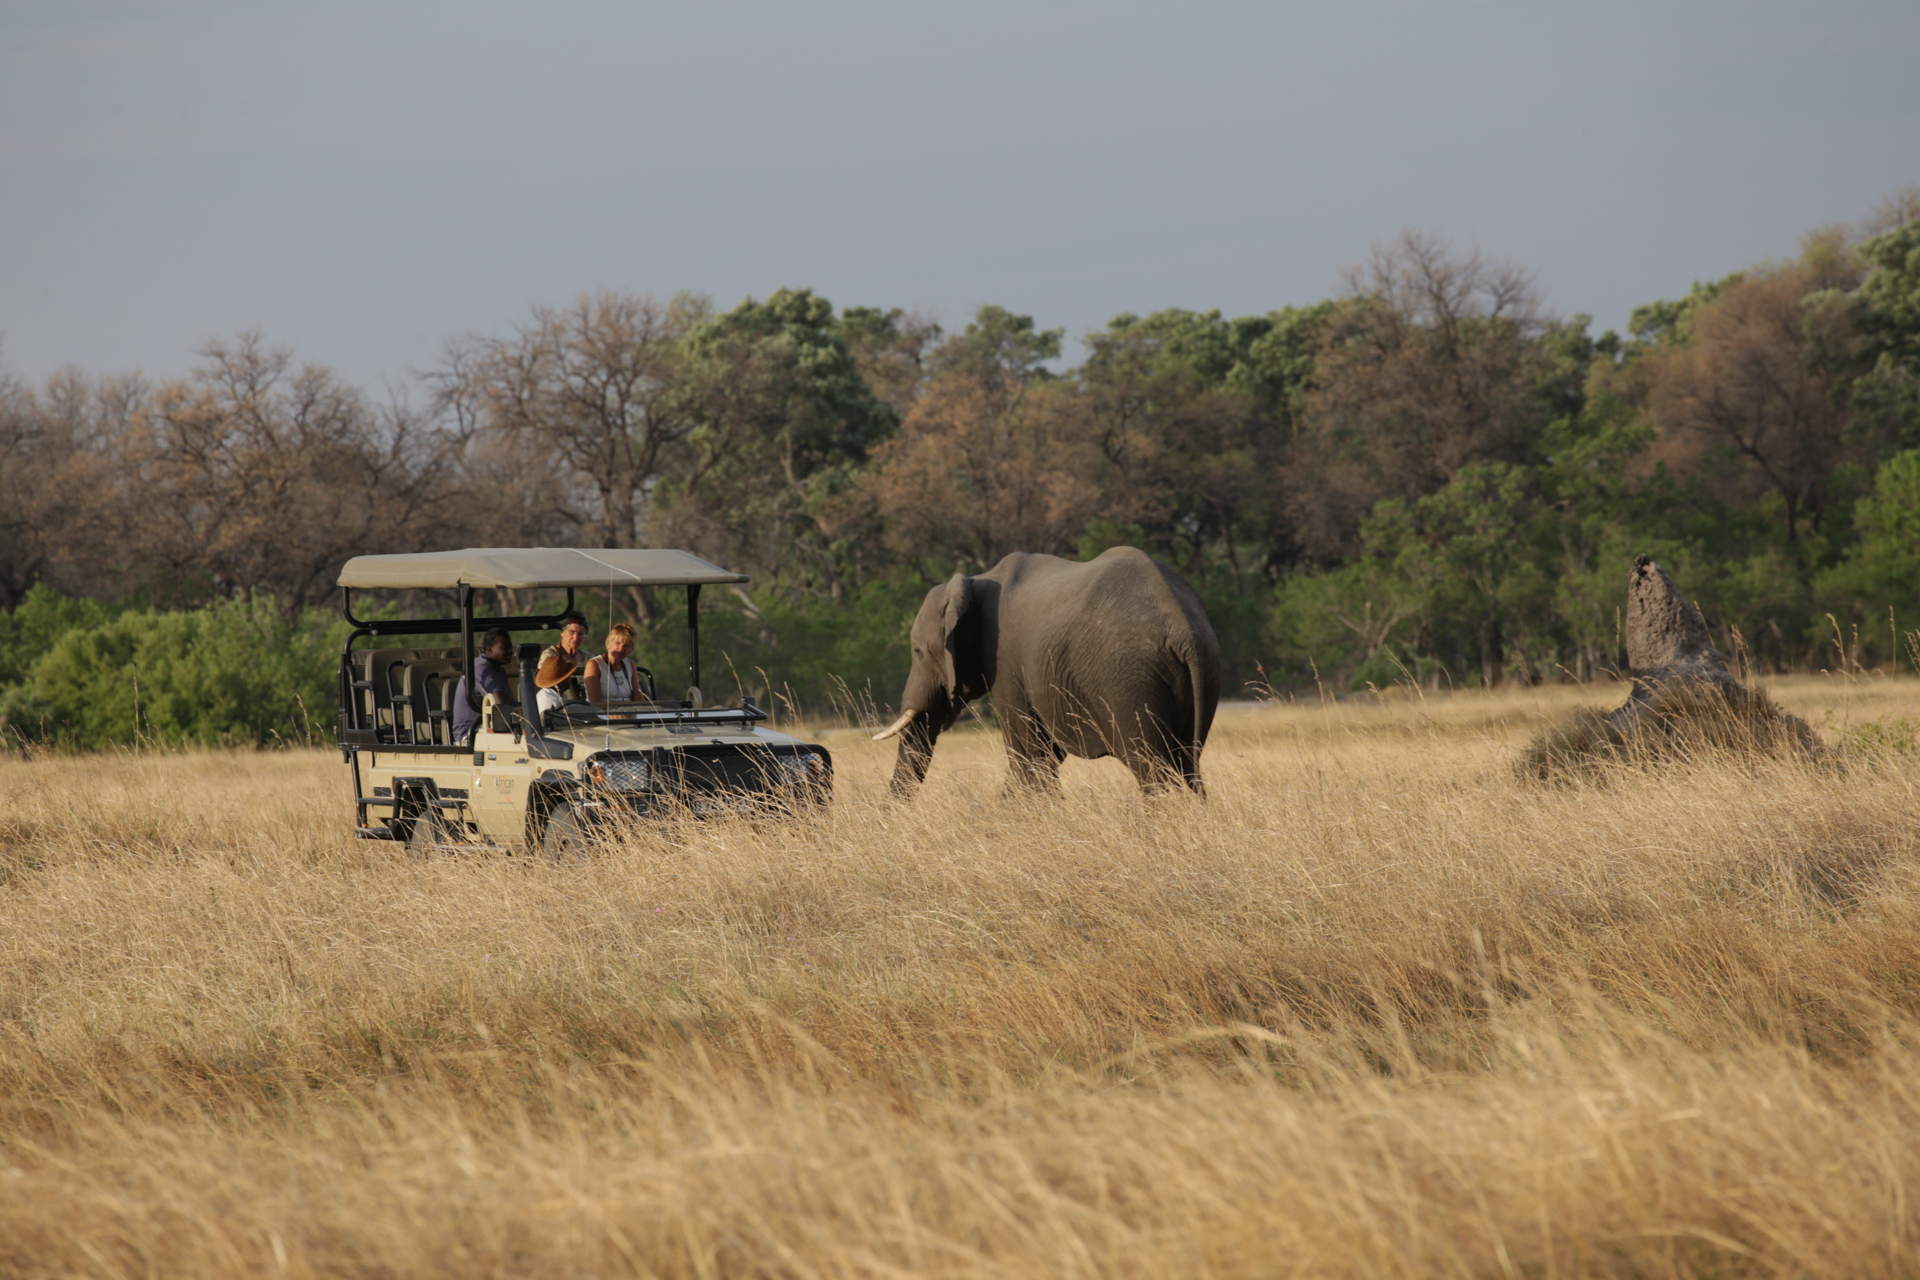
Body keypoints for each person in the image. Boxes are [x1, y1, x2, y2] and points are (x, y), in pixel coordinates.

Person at [452, 627, 513, 744]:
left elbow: (508, 700)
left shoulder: (500, 670)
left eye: (510, 647)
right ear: (490, 649)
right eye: (504, 648)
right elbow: (499, 701)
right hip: (470, 730)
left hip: (490, 724)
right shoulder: (480, 668)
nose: (510, 651)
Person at [534, 610, 591, 714]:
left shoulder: (589, 658)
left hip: (587, 705)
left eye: (580, 634)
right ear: (562, 632)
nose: (576, 637)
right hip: (564, 705)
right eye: (572, 632)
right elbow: (549, 683)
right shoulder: (551, 656)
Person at [585, 622, 649, 704]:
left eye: (626, 645)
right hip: (604, 713)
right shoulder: (594, 665)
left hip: (629, 712)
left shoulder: (630, 663)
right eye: (618, 643)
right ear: (608, 643)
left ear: (631, 649)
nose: (621, 649)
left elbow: (639, 698)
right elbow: (595, 704)